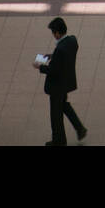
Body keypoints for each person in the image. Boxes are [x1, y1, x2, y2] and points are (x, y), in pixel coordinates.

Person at [35, 17, 87, 146]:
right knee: (64, 106)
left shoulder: (60, 49)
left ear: (57, 33)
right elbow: (64, 57)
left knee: (56, 114)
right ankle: (80, 128)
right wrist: (52, 56)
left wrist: (40, 66)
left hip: (57, 86)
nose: (53, 35)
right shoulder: (72, 41)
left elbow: (53, 70)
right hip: (66, 82)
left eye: (53, 32)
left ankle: (59, 140)